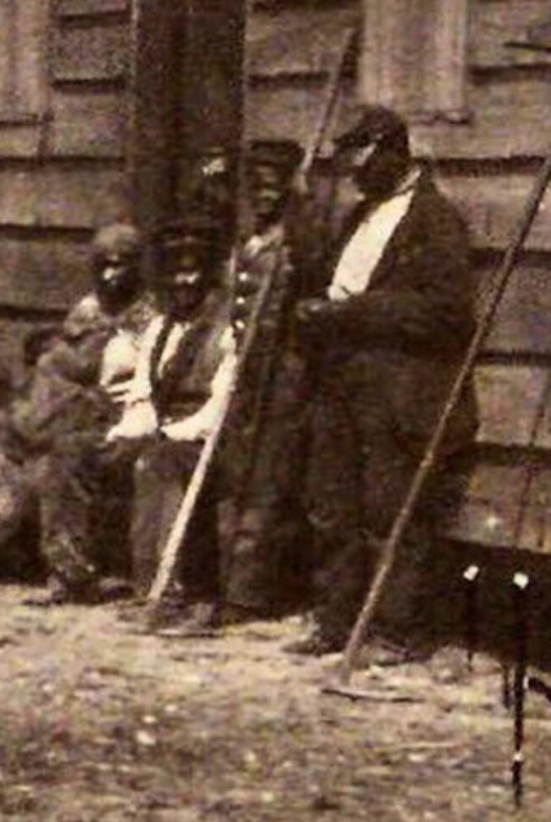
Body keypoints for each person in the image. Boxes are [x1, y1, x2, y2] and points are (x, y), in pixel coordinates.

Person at [287, 106, 478, 661]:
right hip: (342, 381)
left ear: (394, 151)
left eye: (362, 159)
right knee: (332, 507)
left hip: (399, 390)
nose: (353, 172)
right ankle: (335, 621)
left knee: (387, 511)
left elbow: (446, 314)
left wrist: (351, 314)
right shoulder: (359, 216)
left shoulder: (434, 219)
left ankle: (394, 631)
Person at [0, 223, 154, 587]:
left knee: (38, 451)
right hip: (58, 409)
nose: (110, 275)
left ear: (138, 267)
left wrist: (61, 358)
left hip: (111, 416)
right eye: (102, 265)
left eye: (120, 265)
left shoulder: (146, 318)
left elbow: (98, 368)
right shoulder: (89, 306)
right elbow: (65, 347)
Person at [34, 215, 237, 611]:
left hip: (204, 437)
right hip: (158, 428)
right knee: (72, 450)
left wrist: (170, 433)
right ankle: (72, 573)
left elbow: (218, 407)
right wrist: (126, 431)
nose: (185, 283)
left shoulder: (226, 330)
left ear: (209, 277)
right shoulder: (161, 326)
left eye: (193, 273)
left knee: (156, 461)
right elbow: (142, 394)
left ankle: (161, 588)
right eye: (176, 274)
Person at [216, 138, 316, 624]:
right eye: (255, 186)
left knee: (267, 478)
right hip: (246, 365)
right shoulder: (248, 238)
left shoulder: (299, 240)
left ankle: (249, 593)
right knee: (238, 472)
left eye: (274, 187)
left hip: (285, 367)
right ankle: (228, 580)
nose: (263, 196)